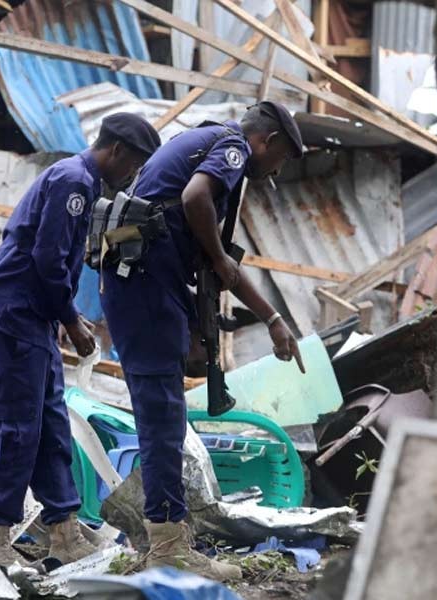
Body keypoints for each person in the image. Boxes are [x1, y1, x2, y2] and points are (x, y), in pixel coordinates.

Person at [100, 102, 307, 581]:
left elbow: (226, 268)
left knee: (164, 417)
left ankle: (167, 540)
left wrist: (273, 318)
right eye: (279, 161)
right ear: (269, 141)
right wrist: (215, 258)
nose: (273, 171)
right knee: (163, 420)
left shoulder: (204, 142)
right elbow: (196, 200)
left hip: (145, 287)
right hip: (147, 289)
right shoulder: (232, 148)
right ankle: (168, 547)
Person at [0, 113, 160, 568]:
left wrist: (132, 235)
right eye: (133, 164)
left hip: (32, 320)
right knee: (19, 430)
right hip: (11, 316)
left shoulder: (86, 186)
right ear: (116, 151)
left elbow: (82, 252)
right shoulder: (73, 182)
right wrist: (72, 320)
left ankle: (64, 531)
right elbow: (48, 261)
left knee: (52, 426)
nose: (133, 174)